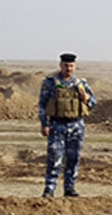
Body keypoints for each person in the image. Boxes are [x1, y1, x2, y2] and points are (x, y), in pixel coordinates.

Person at [38, 53, 96, 197]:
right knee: (54, 158)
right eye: (65, 65)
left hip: (76, 125)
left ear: (75, 66)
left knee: (73, 158)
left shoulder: (81, 84)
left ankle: (70, 189)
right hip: (57, 125)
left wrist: (87, 98)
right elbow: (42, 105)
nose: (68, 68)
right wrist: (44, 124)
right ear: (60, 65)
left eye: (71, 66)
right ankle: (49, 188)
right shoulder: (50, 82)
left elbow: (93, 103)